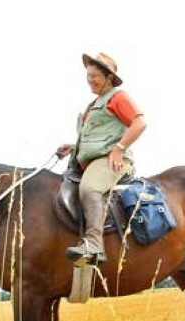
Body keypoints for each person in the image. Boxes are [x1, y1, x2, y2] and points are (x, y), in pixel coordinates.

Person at [56, 52, 147, 265]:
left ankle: (94, 245)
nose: (90, 81)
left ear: (108, 77)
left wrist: (119, 148)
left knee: (89, 188)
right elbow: (99, 137)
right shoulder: (94, 103)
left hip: (112, 161)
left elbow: (139, 123)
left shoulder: (118, 97)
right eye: (88, 76)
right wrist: (74, 147)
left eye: (94, 76)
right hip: (91, 161)